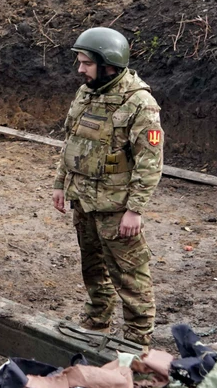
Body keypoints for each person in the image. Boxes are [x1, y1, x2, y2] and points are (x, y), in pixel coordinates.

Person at [52, 27, 163, 348]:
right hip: (83, 201)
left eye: (86, 63)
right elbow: (70, 143)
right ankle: (97, 318)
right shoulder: (86, 93)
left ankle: (137, 337)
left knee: (129, 273)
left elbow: (150, 162)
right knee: (92, 266)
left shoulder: (140, 104)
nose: (80, 69)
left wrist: (135, 210)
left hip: (117, 209)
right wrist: (60, 184)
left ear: (108, 63)